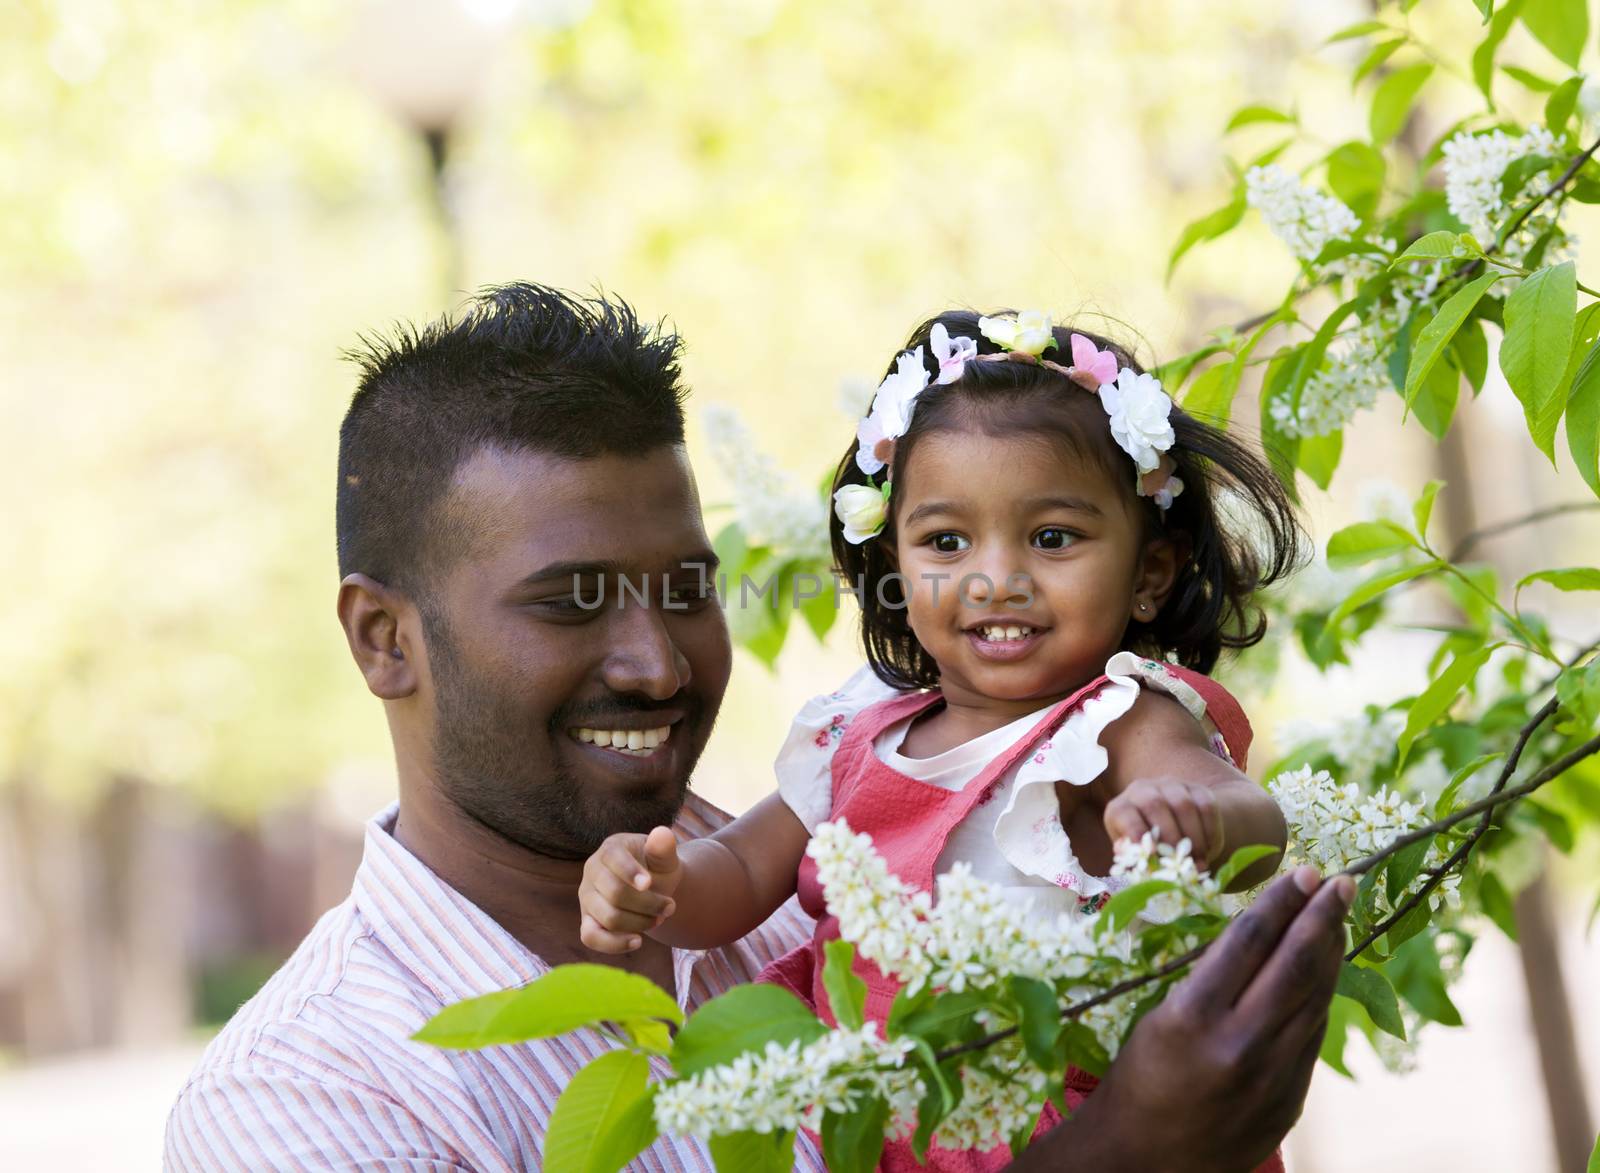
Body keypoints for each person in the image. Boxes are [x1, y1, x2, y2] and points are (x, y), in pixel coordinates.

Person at [166, 284, 1351, 1172]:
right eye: (572, 599)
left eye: (685, 587)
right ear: (385, 639)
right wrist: (1128, 1153)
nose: (655, 659)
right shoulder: (307, 1101)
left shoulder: (838, 882)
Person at [579, 310, 1303, 1169]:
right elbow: (737, 873)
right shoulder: (860, 729)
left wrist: (1199, 818)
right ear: (894, 568)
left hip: (1072, 1134)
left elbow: (1249, 819)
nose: (997, 579)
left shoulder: (1120, 721)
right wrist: (659, 881)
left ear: (1149, 572)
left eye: (1053, 538)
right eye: (946, 541)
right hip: (876, 1130)